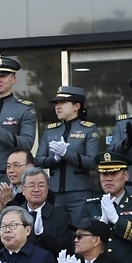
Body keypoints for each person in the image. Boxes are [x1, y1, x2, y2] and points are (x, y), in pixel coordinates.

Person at [35, 86, 100, 224]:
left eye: (63, 103)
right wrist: (55, 159)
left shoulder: (88, 129)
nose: (58, 107)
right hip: (54, 192)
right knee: (55, 232)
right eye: (57, 104)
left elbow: (92, 162)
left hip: (79, 192)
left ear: (77, 106)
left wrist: (66, 154)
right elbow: (39, 160)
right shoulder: (50, 130)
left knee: (80, 231)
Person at [20, 168, 72, 256]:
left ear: (47, 189)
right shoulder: (15, 214)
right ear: (23, 190)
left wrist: (42, 235)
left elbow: (66, 249)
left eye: (41, 185)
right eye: (31, 185)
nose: (36, 189)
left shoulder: (61, 217)